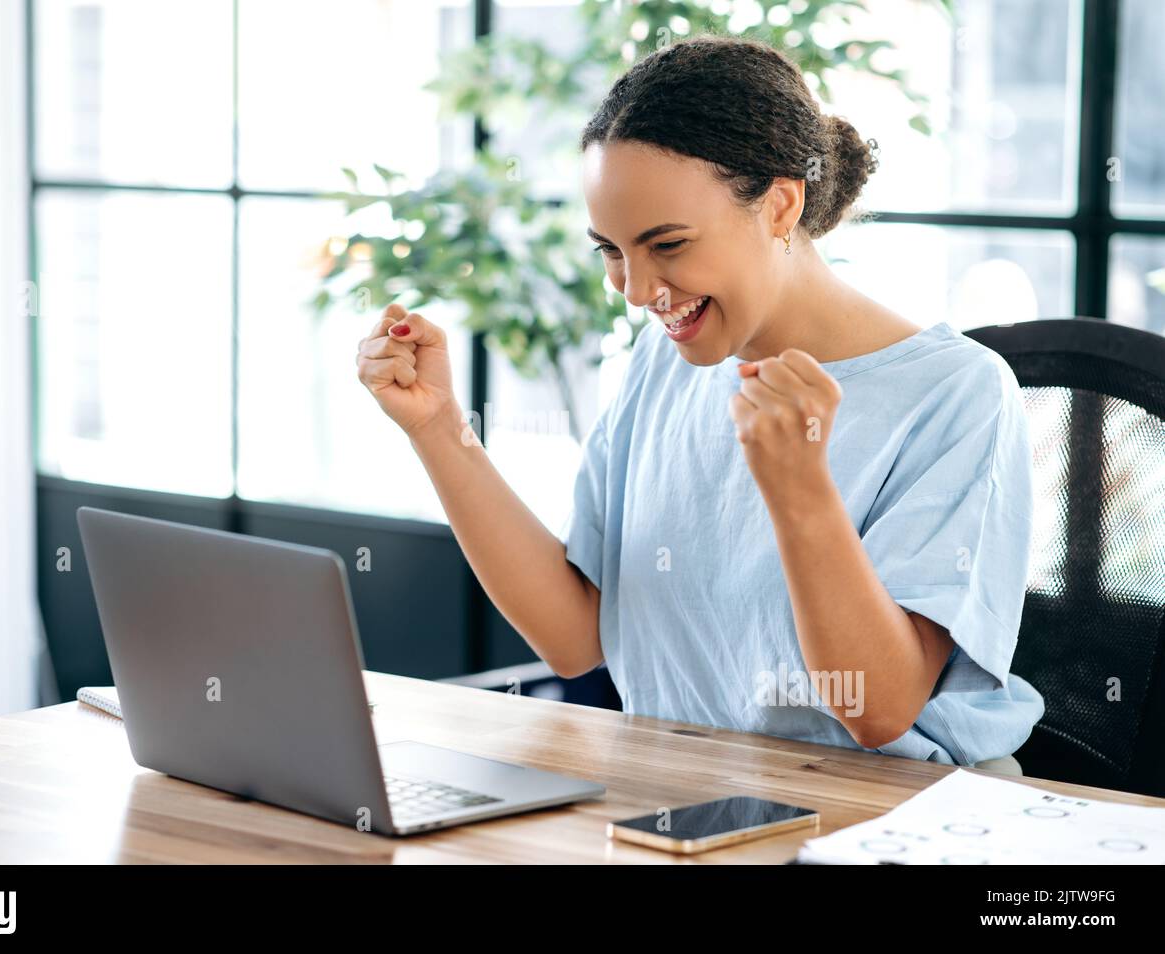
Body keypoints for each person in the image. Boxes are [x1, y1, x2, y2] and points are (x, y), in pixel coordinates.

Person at [354, 35, 1042, 773]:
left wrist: (801, 489)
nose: (637, 289)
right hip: (683, 796)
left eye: (669, 244)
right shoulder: (665, 362)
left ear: (781, 205)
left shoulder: (954, 394)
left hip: (884, 813)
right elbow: (577, 635)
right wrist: (438, 428)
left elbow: (879, 709)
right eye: (612, 250)